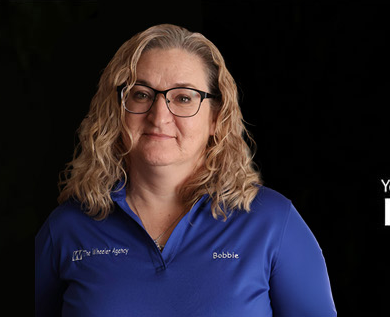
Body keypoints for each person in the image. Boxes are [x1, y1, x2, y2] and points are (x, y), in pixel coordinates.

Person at [34, 24, 336, 316]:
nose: (159, 115)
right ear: (116, 110)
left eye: (183, 97)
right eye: (141, 94)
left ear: (217, 117)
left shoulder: (273, 223)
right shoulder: (65, 229)